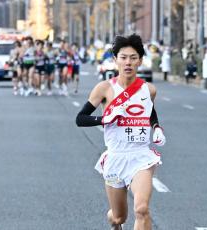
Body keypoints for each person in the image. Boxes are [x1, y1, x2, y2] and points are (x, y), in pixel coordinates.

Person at [76, 34, 166, 230]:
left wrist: (156, 127)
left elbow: (149, 111)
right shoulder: (104, 89)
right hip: (116, 157)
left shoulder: (149, 89)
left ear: (140, 61)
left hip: (141, 156)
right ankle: (115, 224)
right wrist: (104, 119)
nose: (128, 62)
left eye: (133, 58)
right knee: (119, 217)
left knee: (141, 209)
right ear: (115, 59)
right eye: (123, 57)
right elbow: (80, 118)